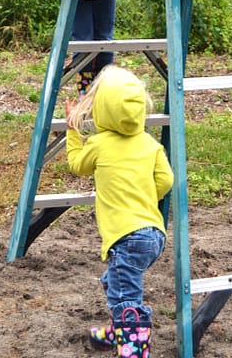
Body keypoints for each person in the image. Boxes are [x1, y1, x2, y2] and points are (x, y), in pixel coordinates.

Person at [64, 64, 173, 357]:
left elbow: (76, 165)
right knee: (115, 282)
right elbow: (166, 180)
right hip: (153, 235)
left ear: (103, 109)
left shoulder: (99, 144)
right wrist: (146, 198)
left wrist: (73, 131)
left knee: (125, 294)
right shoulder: (150, 144)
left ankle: (134, 349)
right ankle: (118, 332)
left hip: (125, 237)